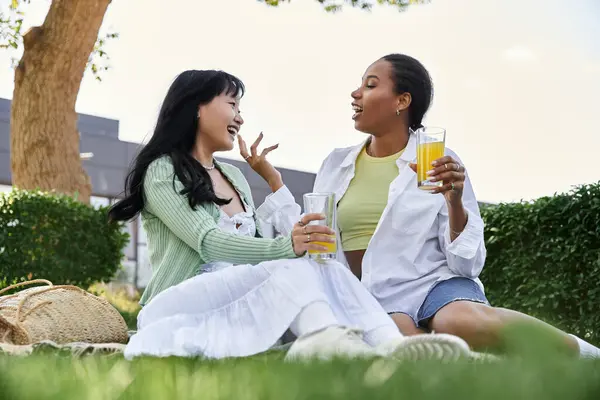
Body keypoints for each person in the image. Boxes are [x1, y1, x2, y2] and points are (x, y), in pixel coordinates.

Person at [107, 69, 470, 361]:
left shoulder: (233, 177)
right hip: (181, 303)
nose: (240, 116)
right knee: (294, 264)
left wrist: (294, 235)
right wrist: (288, 247)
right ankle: (324, 341)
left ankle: (390, 346)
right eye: (232, 103)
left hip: (240, 298)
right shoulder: (162, 170)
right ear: (197, 107)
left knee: (324, 265)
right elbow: (208, 242)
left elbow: (260, 248)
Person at [256, 54, 600, 358]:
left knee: (458, 321)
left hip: (436, 283)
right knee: (404, 342)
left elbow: (466, 264)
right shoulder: (336, 164)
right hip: (374, 294)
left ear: (402, 100)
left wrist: (454, 203)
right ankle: (493, 369)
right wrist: (274, 183)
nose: (356, 93)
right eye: (360, 85)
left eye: (370, 85)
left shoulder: (438, 161)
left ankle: (583, 354)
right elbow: (318, 242)